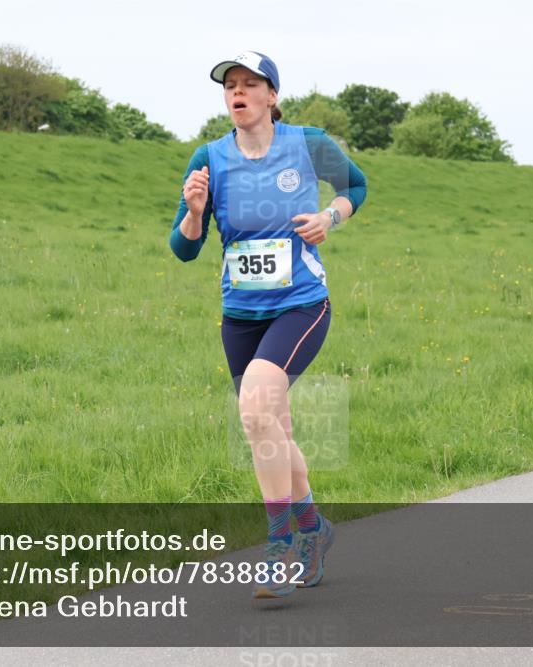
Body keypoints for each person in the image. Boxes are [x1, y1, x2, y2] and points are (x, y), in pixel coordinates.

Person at [169, 51, 367, 599]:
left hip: (302, 304)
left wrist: (330, 217)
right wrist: (192, 211)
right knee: (270, 426)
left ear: (271, 96)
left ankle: (278, 547)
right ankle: (314, 531)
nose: (238, 92)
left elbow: (357, 187)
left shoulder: (308, 144)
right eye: (230, 85)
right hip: (241, 317)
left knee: (256, 409)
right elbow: (184, 248)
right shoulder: (209, 157)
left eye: (249, 84)